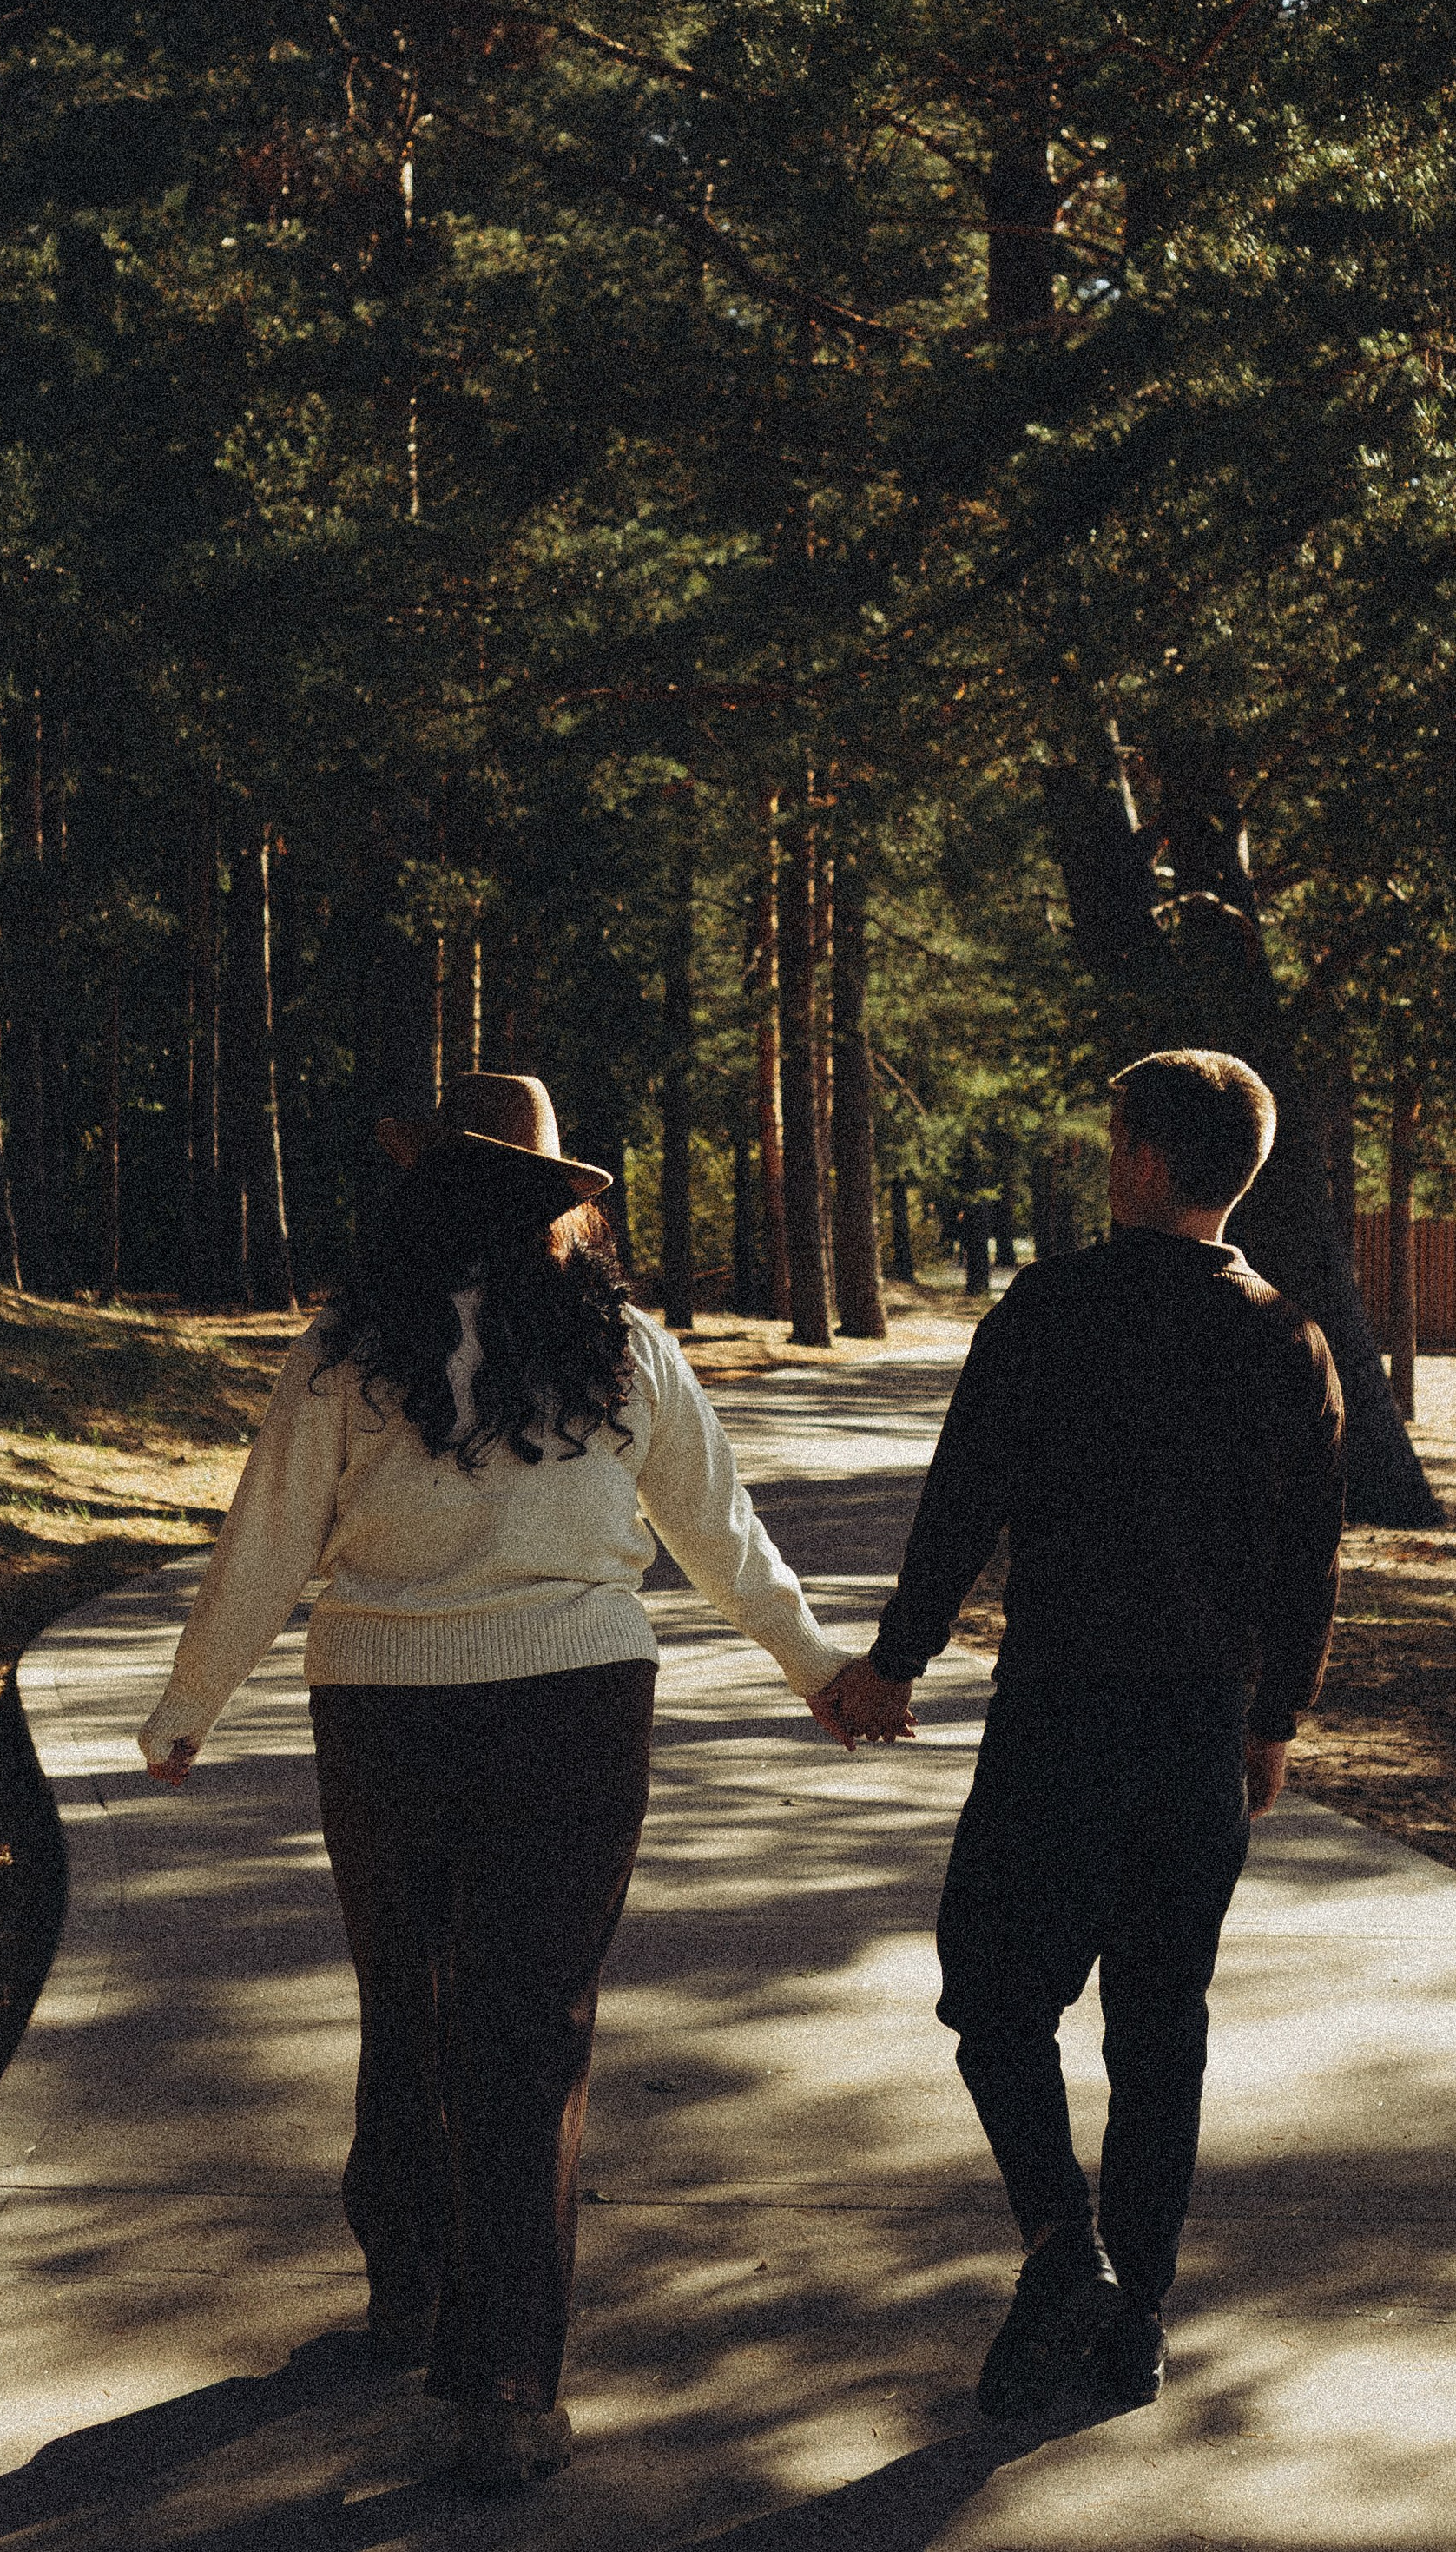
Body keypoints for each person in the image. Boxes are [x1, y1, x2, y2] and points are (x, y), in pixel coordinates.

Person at [136, 1075, 854, 2492]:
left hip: (383, 1711)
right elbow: (721, 1531)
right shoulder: (621, 1351)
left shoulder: (346, 1353)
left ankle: (406, 2276)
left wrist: (189, 1703)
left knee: (407, 1994)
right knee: (530, 2035)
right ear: (556, 1212)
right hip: (574, 1714)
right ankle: (509, 2385)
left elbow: (268, 1538)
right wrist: (819, 1670)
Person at [819, 1048, 1345, 2421]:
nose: (1105, 1155)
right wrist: (1274, 1721)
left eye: (1115, 1137)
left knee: (994, 1999)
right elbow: (1310, 1564)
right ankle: (1135, 2315)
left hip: (1058, 1724)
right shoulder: (1288, 1336)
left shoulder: (1050, 1310)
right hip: (1195, 1745)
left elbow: (963, 1504)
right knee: (1160, 2027)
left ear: (1146, 1163)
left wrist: (893, 1663)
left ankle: (1065, 2254)